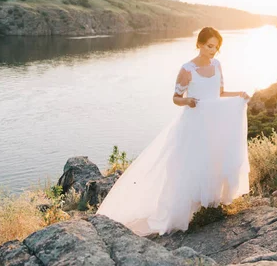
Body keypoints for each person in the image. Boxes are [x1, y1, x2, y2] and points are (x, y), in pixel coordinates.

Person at [96, 27, 251, 236]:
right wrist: (187, 100)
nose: (213, 51)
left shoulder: (217, 65)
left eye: (216, 47)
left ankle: (209, 206)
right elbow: (175, 98)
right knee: (190, 165)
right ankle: (184, 212)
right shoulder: (187, 69)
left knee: (213, 161)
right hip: (194, 123)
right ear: (200, 44)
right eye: (209, 46)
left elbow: (220, 92)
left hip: (214, 122)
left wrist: (238, 94)